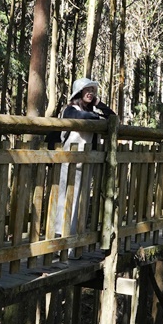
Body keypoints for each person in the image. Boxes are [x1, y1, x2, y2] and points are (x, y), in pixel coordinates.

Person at [51, 78, 115, 256]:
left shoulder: (94, 109)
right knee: (65, 201)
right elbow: (81, 118)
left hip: (87, 164)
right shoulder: (71, 109)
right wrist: (97, 117)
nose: (90, 93)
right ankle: (60, 241)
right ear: (78, 92)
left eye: (92, 90)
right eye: (86, 90)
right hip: (70, 162)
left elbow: (113, 117)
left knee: (82, 202)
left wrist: (99, 104)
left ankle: (74, 244)